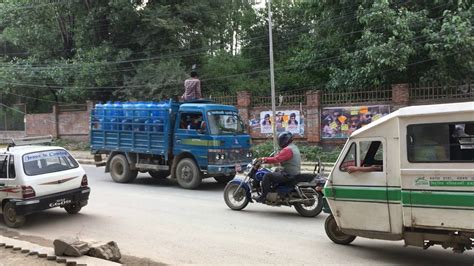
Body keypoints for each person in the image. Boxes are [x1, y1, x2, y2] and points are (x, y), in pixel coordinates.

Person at [253, 131, 301, 203]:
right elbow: (282, 159)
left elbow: (277, 159)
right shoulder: (293, 147)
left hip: (288, 174)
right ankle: (274, 191)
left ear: (284, 140)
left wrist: (263, 159)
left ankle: (263, 196)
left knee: (267, 176)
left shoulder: (287, 150)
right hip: (293, 172)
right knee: (275, 170)